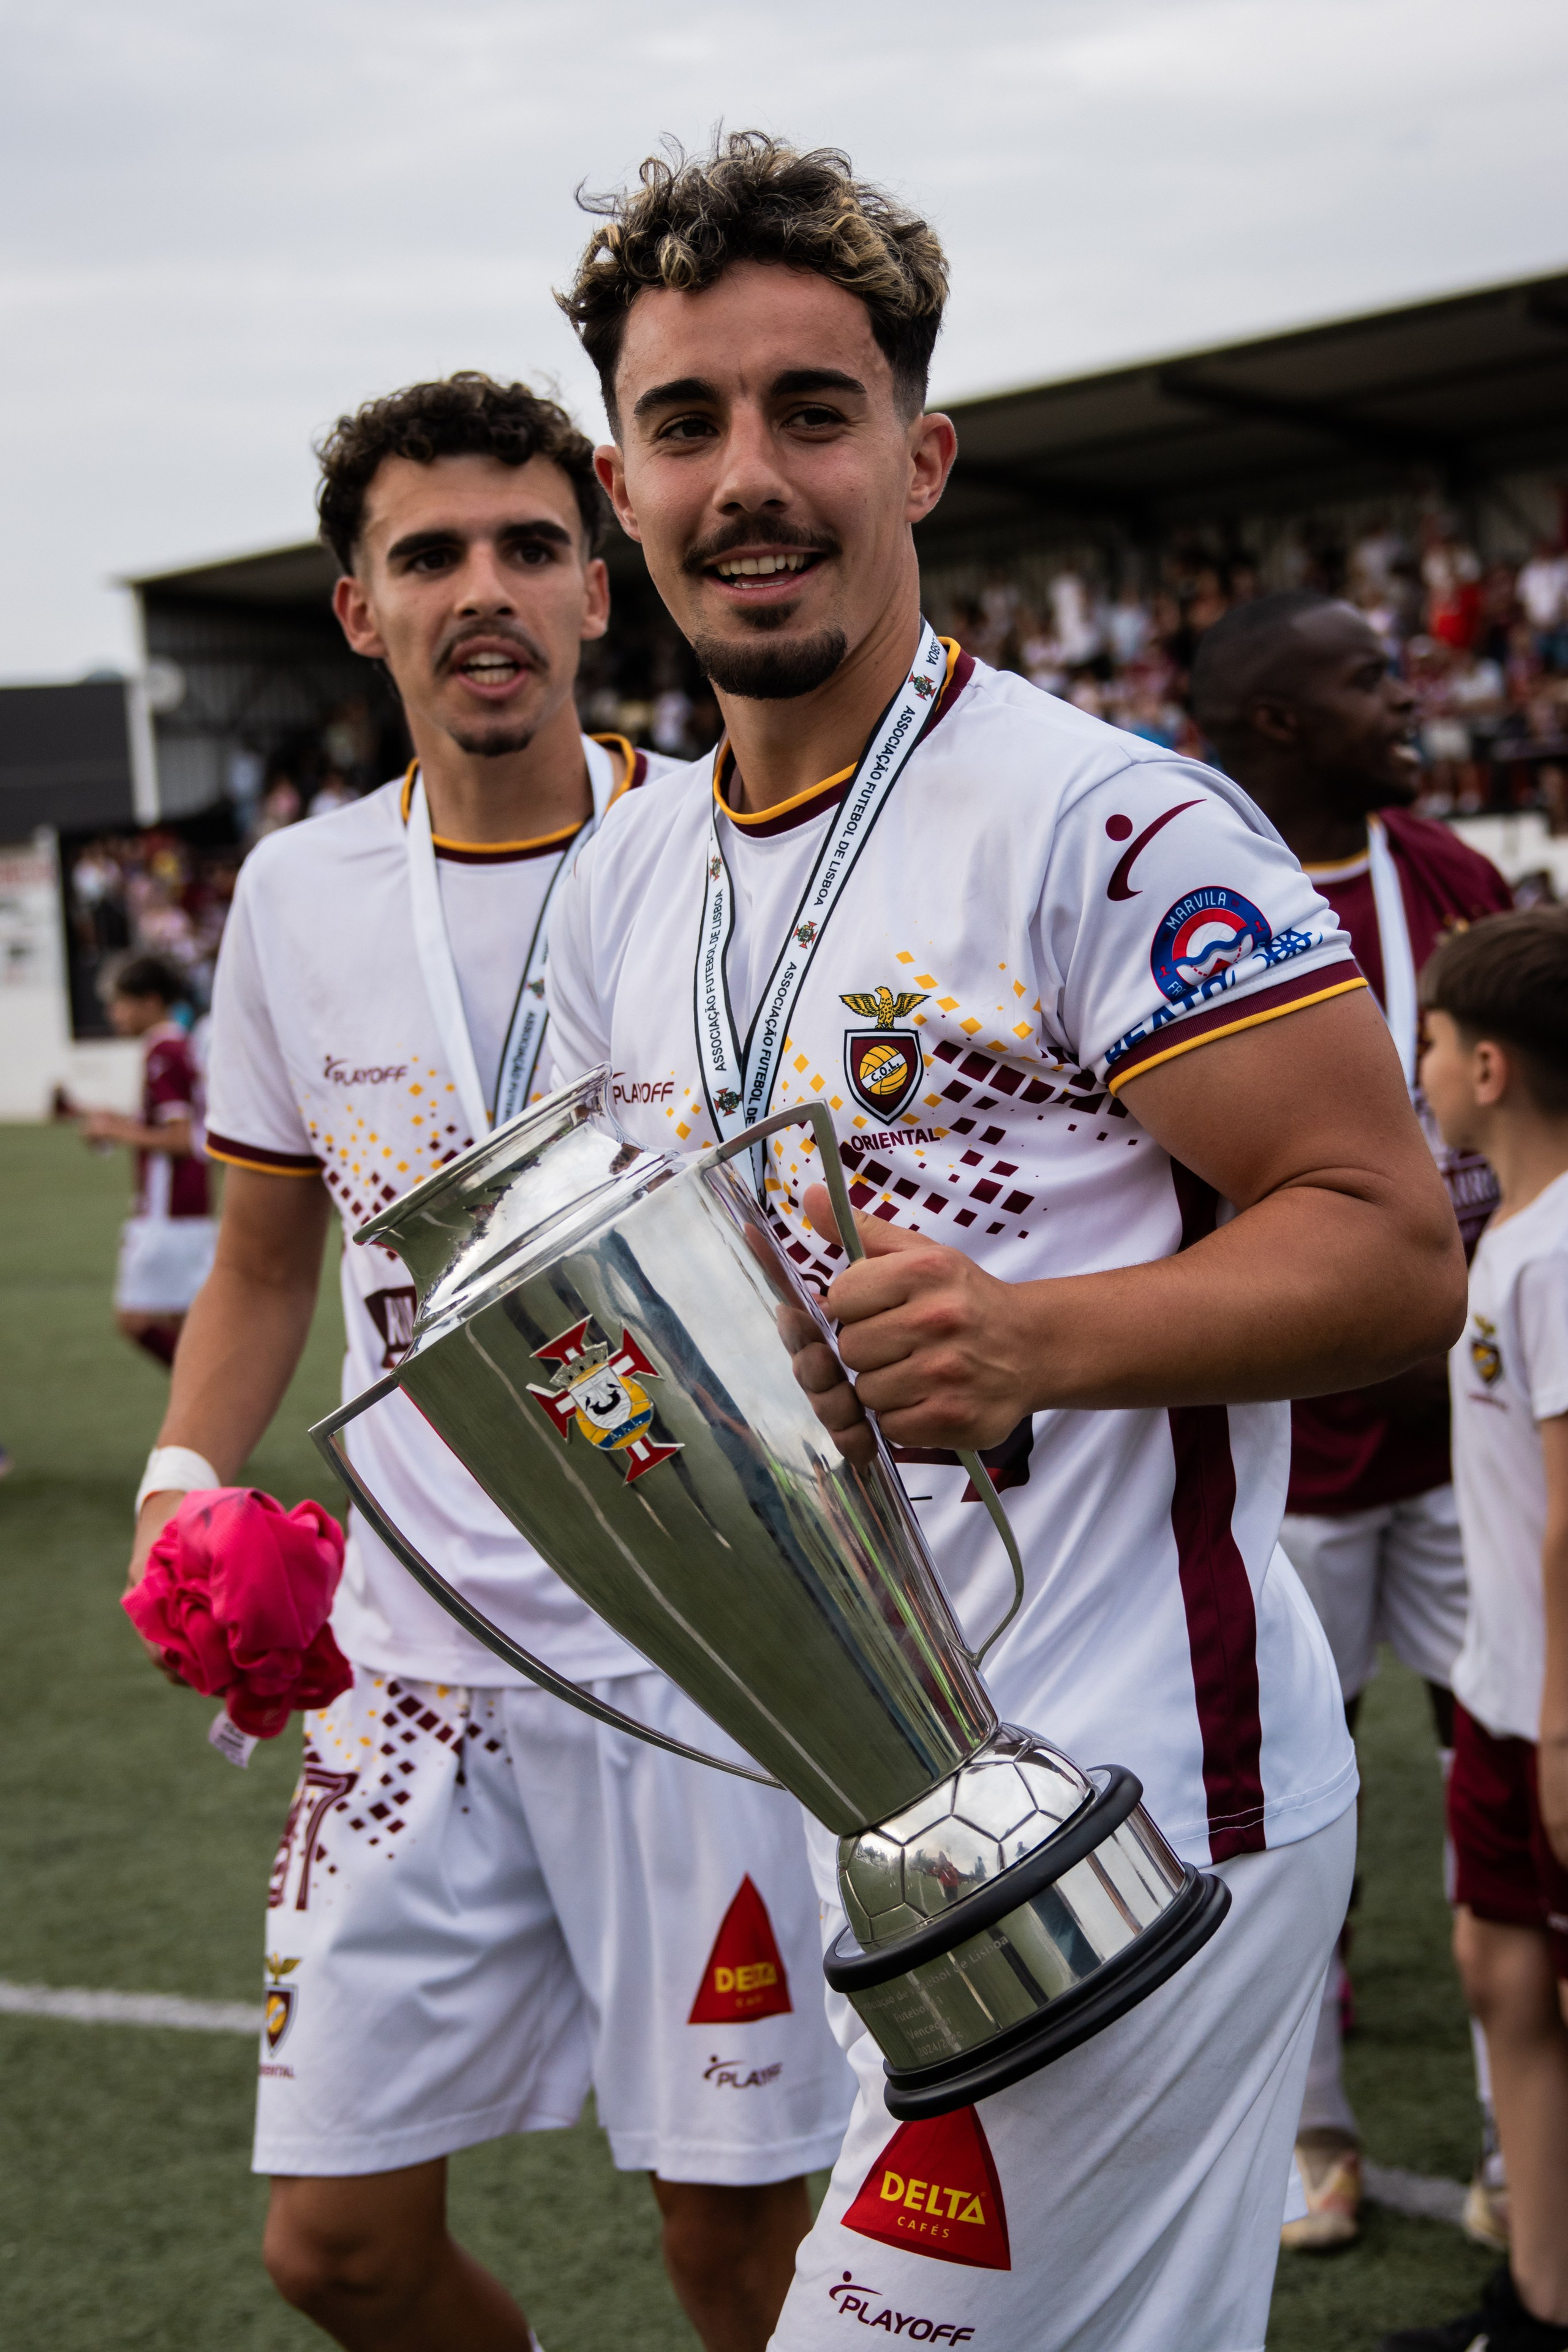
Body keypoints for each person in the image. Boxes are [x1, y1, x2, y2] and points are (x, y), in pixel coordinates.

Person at [547, 134, 1466, 2352]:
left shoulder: (1103, 821)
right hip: (868, 1806)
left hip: (1134, 1804)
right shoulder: (625, 877)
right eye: (684, 424)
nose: (746, 476)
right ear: (619, 483)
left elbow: (1385, 1245)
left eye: (808, 409)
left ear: (919, 455)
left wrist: (1039, 1338)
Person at [124, 373, 851, 2352]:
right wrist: (181, 1490)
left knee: (734, 2247)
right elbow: (269, 1253)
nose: (485, 591)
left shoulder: (719, 854)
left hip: (703, 1665)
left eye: (531, 544)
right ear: (358, 610)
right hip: (413, 1669)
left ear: (601, 580)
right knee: (335, 2251)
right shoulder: (296, 896)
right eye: (427, 555)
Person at [1190, 592, 1515, 2248]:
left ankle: (1522, 2139)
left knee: (1506, 1773)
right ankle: (1308, 2140)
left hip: (1473, 1440)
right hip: (1290, 1461)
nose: (1410, 695)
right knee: (1285, 1815)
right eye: (1369, 679)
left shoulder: (1449, 878)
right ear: (1277, 725)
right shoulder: (1199, 893)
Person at [1380, 911, 1568, 2352]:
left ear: (1488, 1066)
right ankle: (1534, 2299)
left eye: (1431, 1041)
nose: (1416, 1065)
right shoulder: (1507, 1233)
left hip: (1545, 1703)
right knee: (1495, 1966)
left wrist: (1556, 1719)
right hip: (1504, 1689)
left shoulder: (1554, 1249)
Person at [66, 953, 216, 1367]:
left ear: (150, 1001)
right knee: (183, 1324)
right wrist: (118, 1120)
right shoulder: (176, 1045)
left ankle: (203, 1402)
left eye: (120, 1002)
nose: (114, 1014)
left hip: (167, 1212)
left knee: (135, 1320)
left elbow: (180, 1138)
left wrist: (113, 1131)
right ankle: (202, 1413)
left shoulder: (162, 1051)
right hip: (187, 1206)